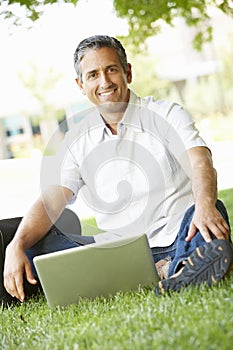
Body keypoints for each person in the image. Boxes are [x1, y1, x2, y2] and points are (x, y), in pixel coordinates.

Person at [1, 35, 232, 306]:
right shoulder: (79, 140)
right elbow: (50, 201)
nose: (104, 82)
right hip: (118, 253)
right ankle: (172, 271)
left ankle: (175, 265)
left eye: (111, 69)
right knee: (35, 244)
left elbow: (200, 162)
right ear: (81, 85)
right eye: (93, 75)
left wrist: (204, 206)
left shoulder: (167, 114)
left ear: (128, 72)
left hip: (180, 236)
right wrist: (15, 245)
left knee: (210, 210)